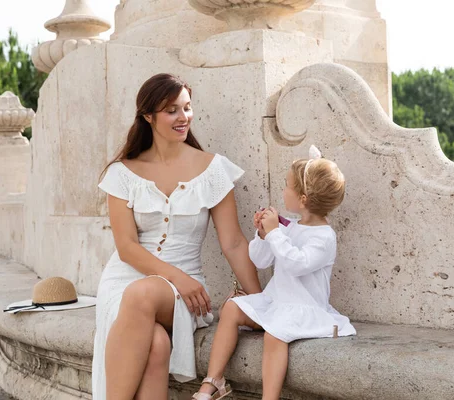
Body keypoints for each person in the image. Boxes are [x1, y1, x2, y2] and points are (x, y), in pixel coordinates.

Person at [92, 73, 262, 400]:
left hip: (181, 293)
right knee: (156, 344)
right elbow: (126, 248)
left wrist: (260, 303)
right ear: (148, 116)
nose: (183, 117)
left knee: (143, 296)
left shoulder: (213, 169)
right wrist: (178, 279)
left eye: (187, 107)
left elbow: (234, 243)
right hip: (124, 282)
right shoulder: (122, 173)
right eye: (172, 110)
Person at [192, 146, 356, 400]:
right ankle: (213, 381)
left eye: (287, 186)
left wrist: (276, 233)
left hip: (305, 308)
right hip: (277, 301)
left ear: (303, 199)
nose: (283, 190)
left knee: (275, 334)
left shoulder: (324, 237)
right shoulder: (291, 226)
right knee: (233, 308)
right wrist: (262, 233)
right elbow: (259, 260)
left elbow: (297, 264)